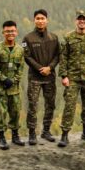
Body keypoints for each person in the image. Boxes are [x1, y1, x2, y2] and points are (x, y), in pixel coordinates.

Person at [58, 9, 85, 147]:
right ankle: (65, 134)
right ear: (76, 21)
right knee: (69, 106)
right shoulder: (68, 37)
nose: (82, 21)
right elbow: (63, 57)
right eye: (79, 19)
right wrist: (64, 75)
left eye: (84, 19)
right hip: (73, 78)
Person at [22, 9, 60, 144]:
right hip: (35, 78)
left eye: (42, 18)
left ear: (47, 20)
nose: (40, 21)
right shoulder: (28, 38)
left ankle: (46, 131)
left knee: (50, 104)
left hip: (50, 77)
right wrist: (39, 68)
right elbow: (27, 57)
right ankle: (32, 133)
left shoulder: (53, 38)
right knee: (33, 105)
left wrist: (50, 67)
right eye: (37, 18)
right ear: (34, 20)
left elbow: (58, 55)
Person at [0, 20, 26, 150]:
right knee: (0, 113)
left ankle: (15, 136)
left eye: (12, 31)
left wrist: (14, 80)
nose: (10, 33)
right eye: (7, 31)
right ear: (3, 32)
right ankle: (1, 138)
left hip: (14, 89)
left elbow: (21, 68)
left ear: (16, 32)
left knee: (15, 112)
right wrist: (4, 79)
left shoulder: (20, 50)